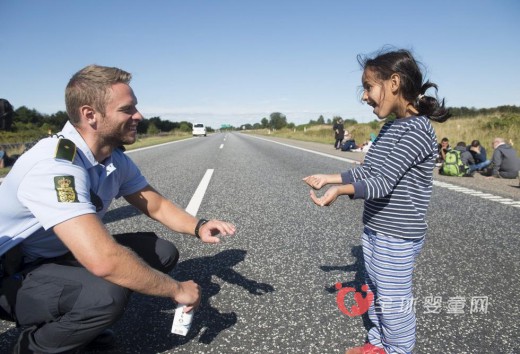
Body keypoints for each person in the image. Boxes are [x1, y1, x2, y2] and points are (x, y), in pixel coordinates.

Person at [0, 64, 236, 353]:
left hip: (55, 256)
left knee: (161, 252)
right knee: (105, 294)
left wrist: (199, 226)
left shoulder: (112, 158)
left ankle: (80, 322)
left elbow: (155, 203)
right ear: (90, 115)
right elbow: (103, 261)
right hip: (10, 273)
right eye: (128, 109)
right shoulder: (54, 166)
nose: (139, 116)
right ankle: (30, 346)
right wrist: (177, 290)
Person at [303, 48, 450, 354]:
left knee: (393, 303)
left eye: (368, 87)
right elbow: (370, 170)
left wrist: (340, 192)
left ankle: (397, 350)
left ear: (394, 83)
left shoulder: (417, 131)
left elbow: (382, 184)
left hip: (397, 235)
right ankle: (378, 345)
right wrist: (330, 178)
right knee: (374, 290)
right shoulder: (392, 127)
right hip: (376, 228)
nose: (364, 97)